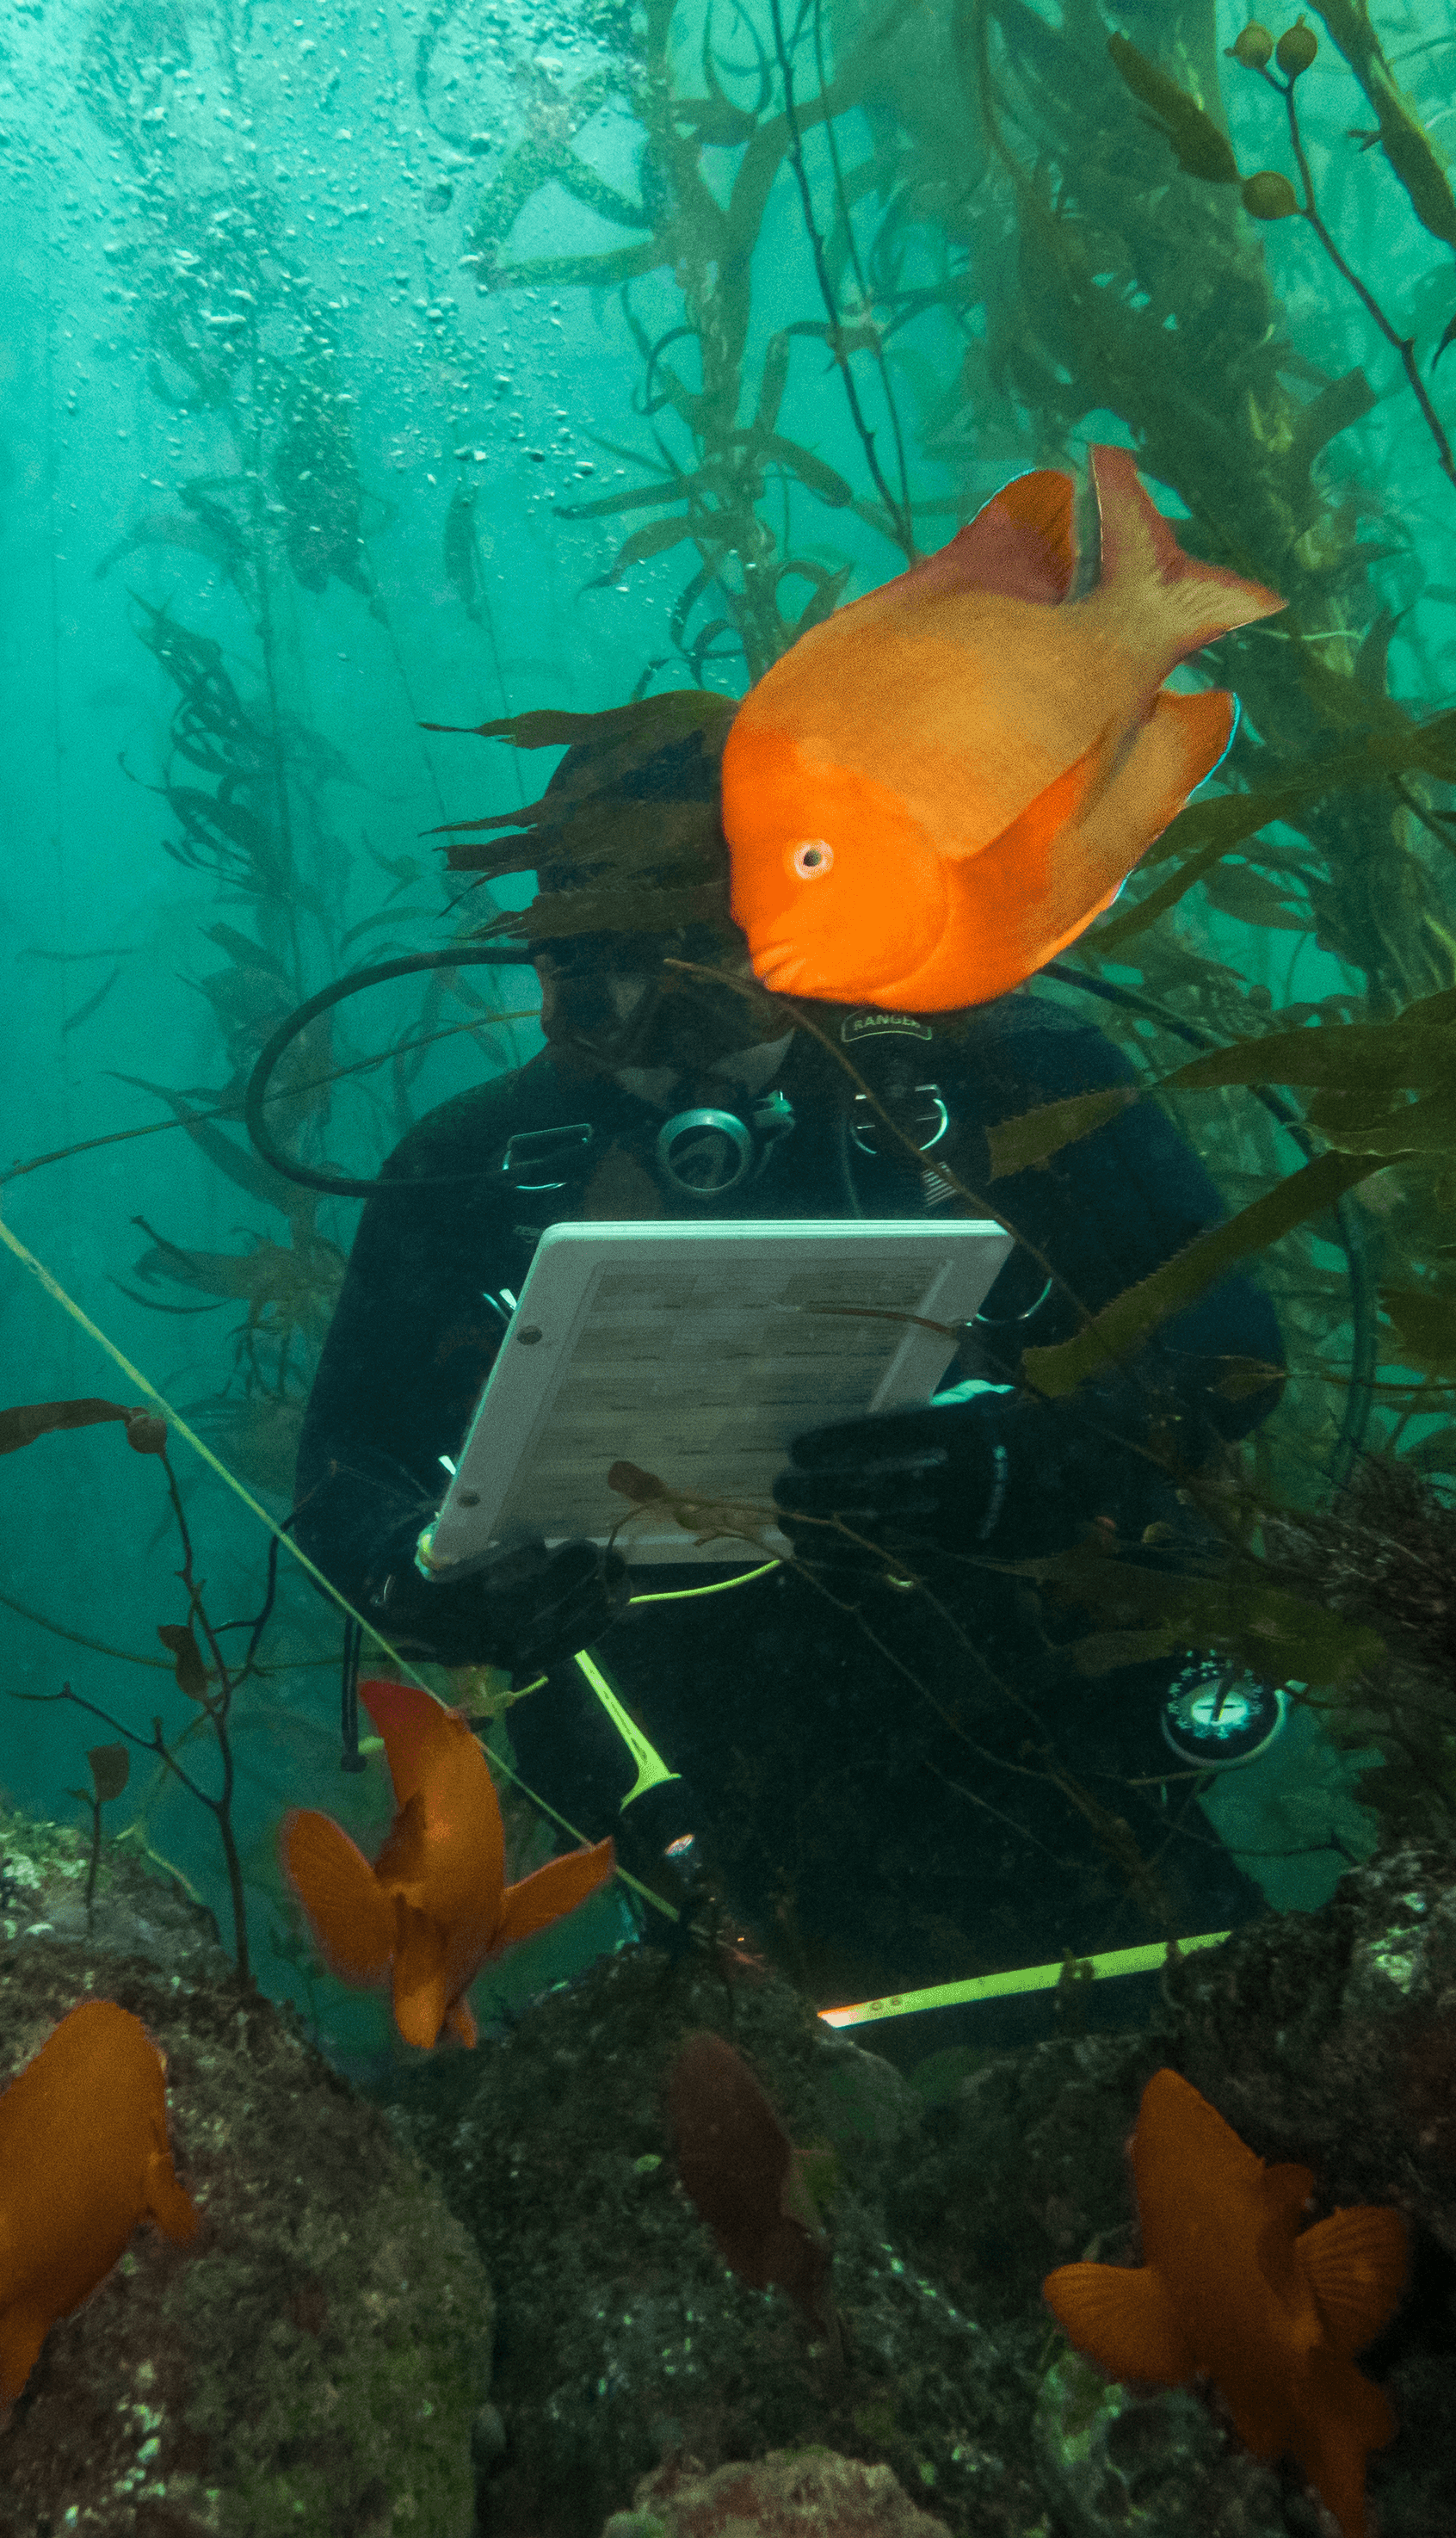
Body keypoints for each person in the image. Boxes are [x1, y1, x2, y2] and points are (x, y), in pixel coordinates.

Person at [290, 695, 1287, 2015]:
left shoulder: (1004, 1074)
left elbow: (1227, 1343)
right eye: (585, 966)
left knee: (1194, 2054)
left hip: (1055, 1716)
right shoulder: (471, 1168)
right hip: (704, 1779)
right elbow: (346, 1471)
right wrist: (439, 1581)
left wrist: (1012, 1463)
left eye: (691, 960)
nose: (636, 1016)